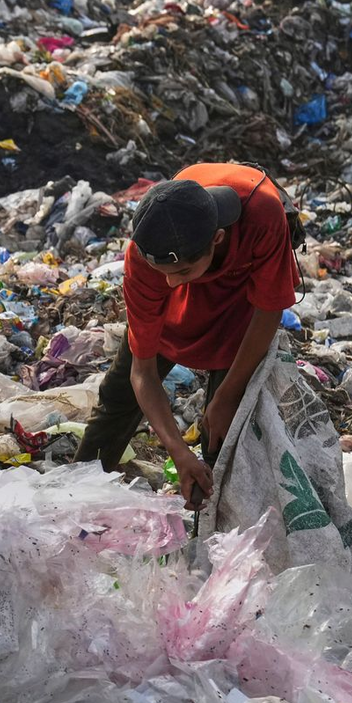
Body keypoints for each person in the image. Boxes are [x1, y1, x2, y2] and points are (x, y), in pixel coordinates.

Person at [73, 163, 298, 508]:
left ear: (217, 239)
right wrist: (179, 452)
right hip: (173, 313)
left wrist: (226, 396)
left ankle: (217, 521)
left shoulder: (262, 215)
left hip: (239, 303)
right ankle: (76, 497)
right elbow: (142, 372)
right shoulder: (146, 258)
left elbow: (268, 309)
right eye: (163, 272)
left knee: (227, 427)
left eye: (182, 271)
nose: (171, 282)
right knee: (118, 397)